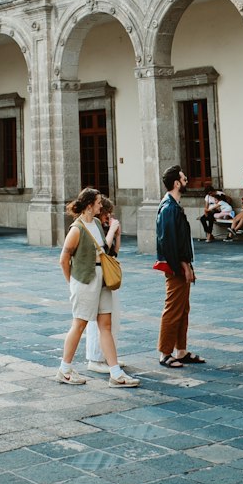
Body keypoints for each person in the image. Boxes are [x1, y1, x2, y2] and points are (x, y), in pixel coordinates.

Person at [57, 187, 138, 388]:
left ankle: (116, 373)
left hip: (102, 280)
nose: (101, 205)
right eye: (99, 202)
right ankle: (64, 369)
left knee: (106, 326)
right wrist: (73, 283)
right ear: (90, 204)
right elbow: (63, 259)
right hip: (85, 280)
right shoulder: (76, 229)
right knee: (80, 324)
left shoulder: (96, 224)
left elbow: (106, 252)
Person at [156, 166, 206, 368]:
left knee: (183, 309)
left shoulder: (174, 206)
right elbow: (169, 243)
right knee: (173, 309)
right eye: (184, 179)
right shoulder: (169, 208)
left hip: (181, 264)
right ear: (177, 183)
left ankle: (181, 350)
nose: (187, 181)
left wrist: (188, 265)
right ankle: (165, 353)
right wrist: (183, 267)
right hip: (175, 267)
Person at [85, 195, 125, 371]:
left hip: (108, 276)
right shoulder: (92, 227)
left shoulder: (103, 228)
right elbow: (101, 251)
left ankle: (109, 357)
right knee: (98, 321)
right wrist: (110, 232)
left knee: (112, 319)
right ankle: (95, 359)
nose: (108, 218)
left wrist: (117, 233)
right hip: (97, 278)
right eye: (106, 214)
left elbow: (113, 252)